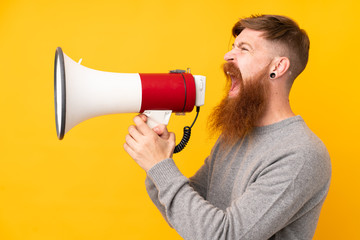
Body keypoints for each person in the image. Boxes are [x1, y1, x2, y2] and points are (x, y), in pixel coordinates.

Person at [124, 14, 331, 240]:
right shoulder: (234, 135)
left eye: (244, 49)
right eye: (233, 47)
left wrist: (160, 165)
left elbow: (225, 236)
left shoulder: (302, 154)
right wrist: (156, 159)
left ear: (277, 67)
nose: (228, 55)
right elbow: (192, 219)